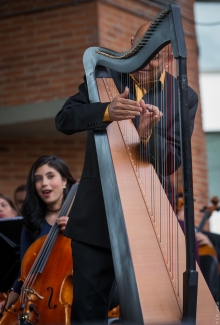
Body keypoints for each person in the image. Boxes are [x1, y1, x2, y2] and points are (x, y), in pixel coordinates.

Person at [55, 23, 198, 325]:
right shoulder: (105, 78)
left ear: (169, 58)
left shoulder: (183, 95)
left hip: (150, 223)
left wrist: (146, 136)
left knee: (151, 311)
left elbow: (173, 160)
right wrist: (107, 111)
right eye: (141, 54)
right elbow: (64, 119)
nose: (146, 64)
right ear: (132, 47)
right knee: (88, 313)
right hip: (94, 220)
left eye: (155, 57)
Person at [0, 155, 76, 315]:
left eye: (50, 176)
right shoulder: (31, 225)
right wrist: (9, 304)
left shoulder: (79, 217)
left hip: (74, 300)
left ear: (64, 181)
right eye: (38, 179)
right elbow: (25, 274)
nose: (44, 183)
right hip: (38, 303)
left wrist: (78, 232)